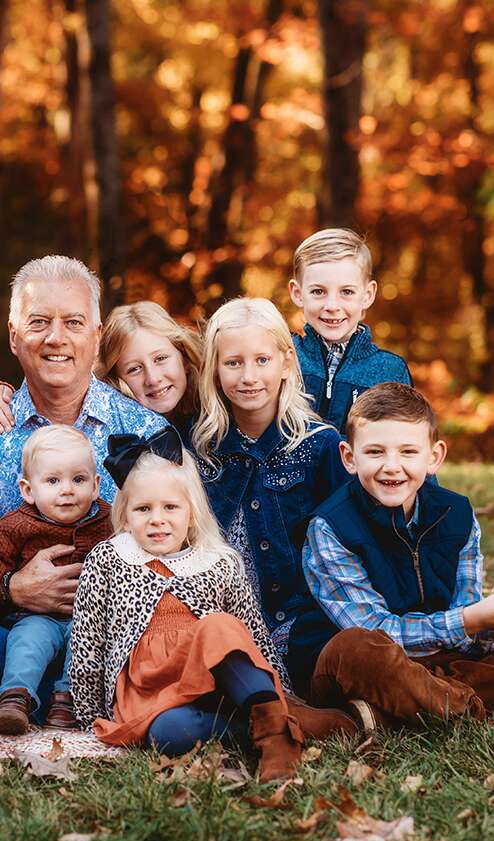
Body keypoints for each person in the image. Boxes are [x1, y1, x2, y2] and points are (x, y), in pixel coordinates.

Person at [0, 256, 166, 727]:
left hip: (117, 629)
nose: (56, 338)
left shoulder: (144, 432)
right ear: (14, 336)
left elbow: (178, 547)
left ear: (96, 335)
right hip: (10, 627)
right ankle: (57, 691)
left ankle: (7, 692)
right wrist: (12, 589)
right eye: (39, 323)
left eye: (73, 323)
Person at [303, 382, 494, 730]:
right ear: (350, 457)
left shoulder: (456, 514)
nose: (392, 466)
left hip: (443, 660)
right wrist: (472, 618)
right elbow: (377, 629)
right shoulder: (330, 526)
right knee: (354, 649)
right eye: (375, 452)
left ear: (434, 456)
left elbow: (469, 634)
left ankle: (398, 712)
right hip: (370, 663)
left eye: (408, 452)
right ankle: (490, 712)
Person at [69, 430, 338, 782]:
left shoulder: (217, 562)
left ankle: (274, 730)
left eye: (170, 507)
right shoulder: (108, 558)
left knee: (219, 626)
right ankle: (275, 723)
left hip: (216, 683)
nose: (157, 519)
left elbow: (252, 634)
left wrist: (280, 691)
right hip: (149, 693)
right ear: (125, 513)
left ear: (192, 513)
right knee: (171, 734)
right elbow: (88, 640)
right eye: (143, 509)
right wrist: (88, 711)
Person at [191, 298, 351, 695]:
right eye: (233, 363)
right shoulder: (198, 450)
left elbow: (349, 543)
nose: (249, 376)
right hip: (219, 619)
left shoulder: (320, 446)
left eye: (262, 360)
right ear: (213, 368)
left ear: (285, 363)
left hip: (296, 621)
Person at [0, 426, 112, 734]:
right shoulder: (17, 525)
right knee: (26, 642)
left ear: (96, 485)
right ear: (28, 490)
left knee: (88, 641)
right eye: (52, 481)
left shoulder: (111, 522)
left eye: (79, 479)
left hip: (91, 621)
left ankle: (67, 700)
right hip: (38, 619)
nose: (67, 490)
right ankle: (14, 698)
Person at [0, 301, 204, 447]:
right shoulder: (121, 432)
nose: (153, 378)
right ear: (116, 379)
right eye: (134, 369)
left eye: (161, 359)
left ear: (183, 356)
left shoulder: (213, 412)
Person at [289, 228, 412, 433]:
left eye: (346, 292)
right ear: (297, 293)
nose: (332, 305)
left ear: (368, 295)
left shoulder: (389, 370)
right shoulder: (285, 357)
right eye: (318, 291)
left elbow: (401, 441)